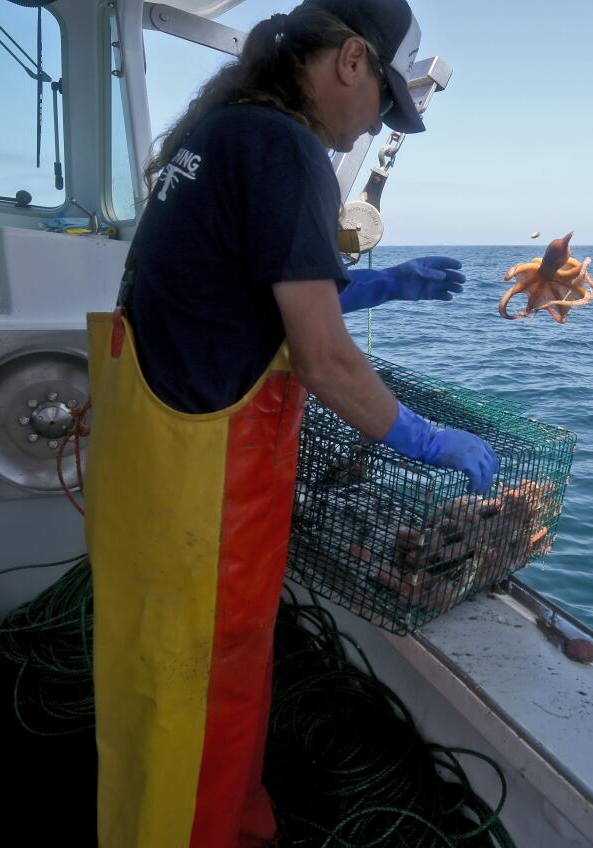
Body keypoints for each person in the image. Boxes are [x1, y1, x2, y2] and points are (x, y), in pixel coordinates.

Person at [83, 1, 497, 845]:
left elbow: (246, 287)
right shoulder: (284, 148)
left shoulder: (226, 133)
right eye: (385, 100)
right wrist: (427, 439)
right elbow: (324, 359)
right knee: (194, 709)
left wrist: (383, 286)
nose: (372, 124)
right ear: (353, 61)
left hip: (151, 488)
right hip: (204, 505)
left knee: (165, 698)